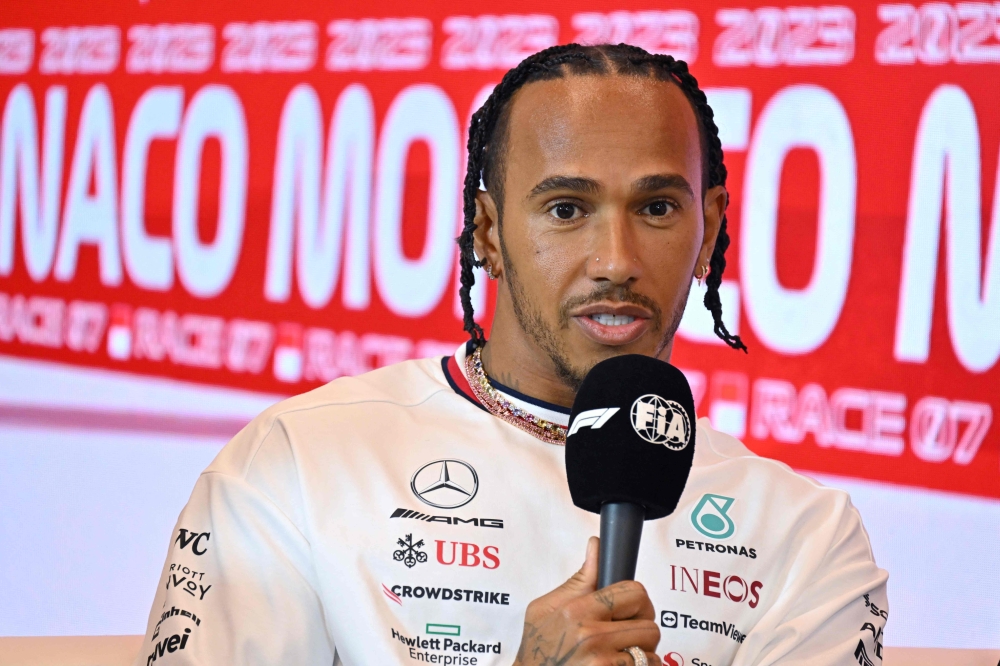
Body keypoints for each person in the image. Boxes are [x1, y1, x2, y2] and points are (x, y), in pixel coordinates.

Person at [134, 44, 889, 666]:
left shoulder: (805, 533)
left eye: (656, 208)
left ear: (711, 229)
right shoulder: (296, 465)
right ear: (488, 232)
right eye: (567, 210)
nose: (616, 260)